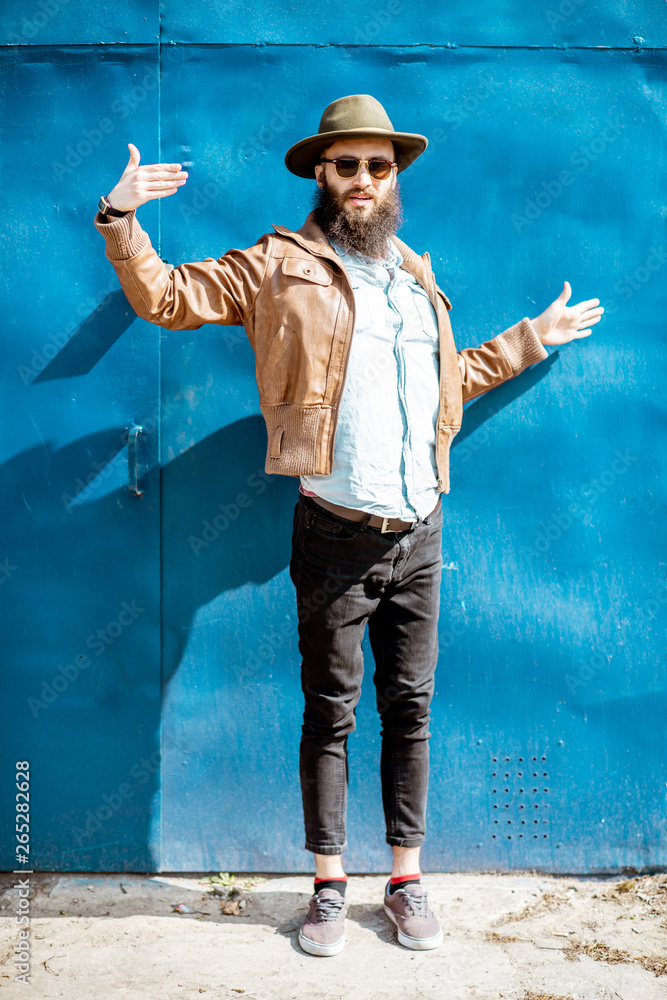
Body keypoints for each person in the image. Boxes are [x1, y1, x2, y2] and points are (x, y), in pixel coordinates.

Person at [94, 93, 603, 957]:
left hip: (421, 528)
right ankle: (328, 886)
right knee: (330, 711)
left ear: (393, 177)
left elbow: (452, 379)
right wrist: (120, 217)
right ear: (320, 174)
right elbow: (169, 298)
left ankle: (405, 879)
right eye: (348, 165)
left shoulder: (415, 274)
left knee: (411, 708)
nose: (364, 179)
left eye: (379, 166)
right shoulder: (277, 264)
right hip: (334, 532)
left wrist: (531, 338)